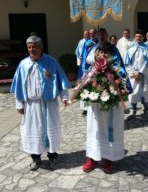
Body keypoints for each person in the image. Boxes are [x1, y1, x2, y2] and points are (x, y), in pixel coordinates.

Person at [10, 36, 70, 171]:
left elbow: (61, 81)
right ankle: (36, 158)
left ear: (41, 47)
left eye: (35, 47)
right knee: (33, 130)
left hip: (49, 104)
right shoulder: (23, 64)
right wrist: (19, 103)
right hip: (31, 105)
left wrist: (64, 96)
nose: (32, 49)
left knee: (50, 130)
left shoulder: (51, 62)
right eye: (30, 47)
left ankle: (53, 155)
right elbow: (19, 86)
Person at [78, 28, 129, 174]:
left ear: (106, 36)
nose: (100, 36)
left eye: (103, 34)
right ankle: (92, 158)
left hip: (111, 95)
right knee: (94, 127)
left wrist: (111, 69)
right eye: (98, 34)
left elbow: (122, 70)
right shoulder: (91, 49)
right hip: (95, 96)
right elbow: (85, 68)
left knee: (110, 126)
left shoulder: (114, 50)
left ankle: (109, 158)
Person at [125, 30, 148, 116]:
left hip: (144, 75)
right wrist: (133, 73)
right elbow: (127, 63)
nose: (138, 38)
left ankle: (147, 109)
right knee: (133, 92)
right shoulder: (130, 49)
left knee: (145, 92)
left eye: (140, 36)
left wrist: (140, 73)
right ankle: (132, 110)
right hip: (133, 75)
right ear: (134, 37)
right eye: (137, 36)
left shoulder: (147, 49)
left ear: (143, 37)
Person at [78, 28, 98, 116]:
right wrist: (85, 69)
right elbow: (84, 56)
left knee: (97, 86)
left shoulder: (99, 42)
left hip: (98, 67)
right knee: (86, 86)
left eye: (93, 33)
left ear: (96, 33)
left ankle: (96, 104)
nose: (91, 35)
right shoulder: (87, 43)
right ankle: (85, 108)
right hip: (88, 67)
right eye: (90, 34)